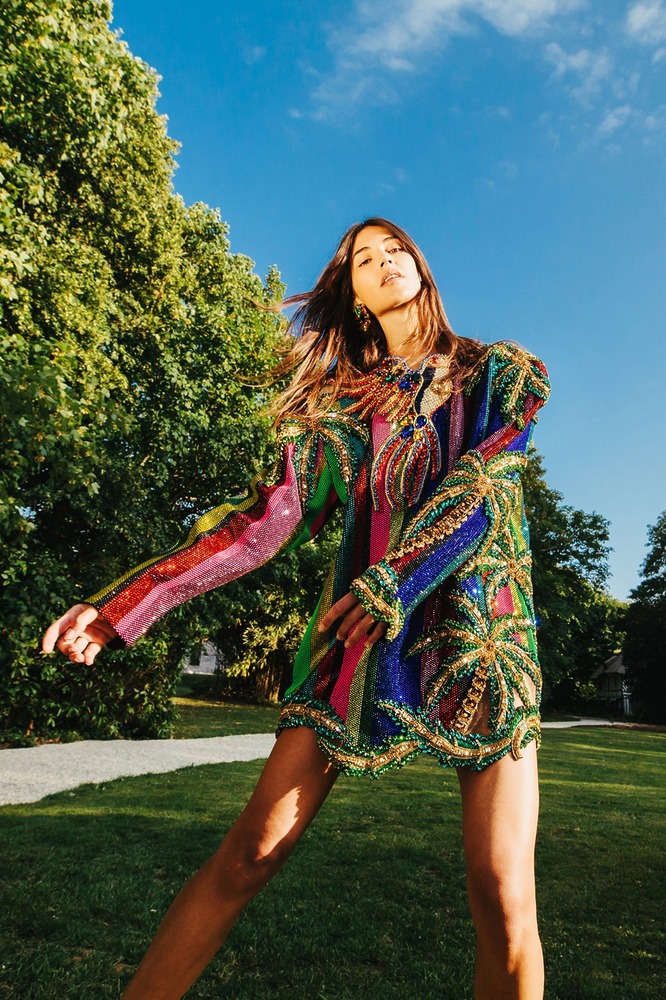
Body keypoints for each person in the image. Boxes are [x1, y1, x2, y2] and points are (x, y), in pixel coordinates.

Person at [43, 217, 550, 1000]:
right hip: (354, 641)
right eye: (364, 260)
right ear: (354, 296)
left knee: (503, 893)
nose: (385, 261)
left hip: (482, 637)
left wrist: (396, 580)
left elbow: (484, 486)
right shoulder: (342, 412)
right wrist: (124, 604)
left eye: (395, 249)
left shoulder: (499, 375)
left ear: (420, 265)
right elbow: (261, 523)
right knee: (248, 855)